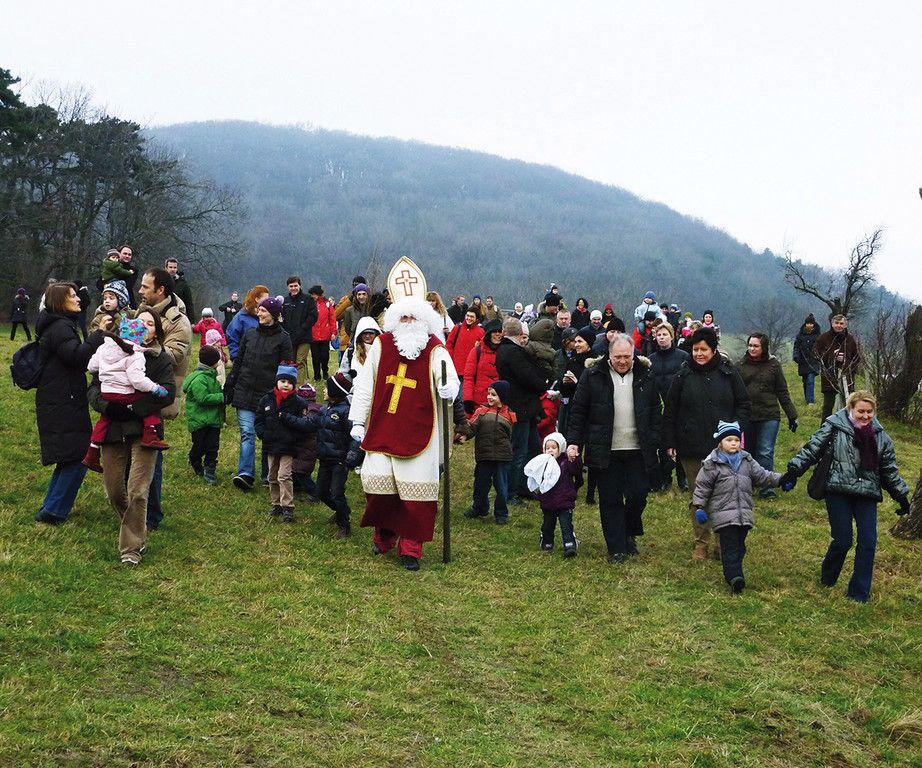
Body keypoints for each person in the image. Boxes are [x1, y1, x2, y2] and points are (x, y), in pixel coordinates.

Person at [348, 258, 459, 571]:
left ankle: (411, 549)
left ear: (424, 319)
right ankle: (384, 535)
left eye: (414, 316)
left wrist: (449, 388)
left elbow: (448, 377)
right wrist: (358, 420)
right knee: (378, 486)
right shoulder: (382, 345)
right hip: (383, 427)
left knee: (415, 496)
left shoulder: (435, 348)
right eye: (404, 316)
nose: (409, 321)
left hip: (420, 430)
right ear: (396, 318)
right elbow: (365, 383)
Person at [780, 391, 910, 603]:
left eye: (869, 412)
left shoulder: (882, 437)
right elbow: (812, 449)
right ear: (851, 409)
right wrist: (794, 471)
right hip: (838, 490)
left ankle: (858, 593)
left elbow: (889, 471)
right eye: (861, 411)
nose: (865, 416)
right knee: (843, 540)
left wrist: (901, 496)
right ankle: (828, 577)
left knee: (868, 542)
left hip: (867, 494)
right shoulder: (834, 427)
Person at [88, 309, 175, 563]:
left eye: (150, 324)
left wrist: (133, 408)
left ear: (156, 332)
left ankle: (131, 548)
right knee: (114, 490)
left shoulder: (160, 359)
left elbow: (168, 393)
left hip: (145, 429)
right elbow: (93, 388)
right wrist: (108, 407)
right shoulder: (111, 352)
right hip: (113, 426)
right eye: (141, 322)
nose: (145, 326)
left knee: (138, 490)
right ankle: (137, 527)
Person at [567, 335, 661, 563]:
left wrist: (656, 438)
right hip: (606, 449)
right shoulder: (592, 375)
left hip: (638, 448)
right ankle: (616, 547)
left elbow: (655, 410)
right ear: (609, 355)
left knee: (639, 494)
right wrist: (574, 441)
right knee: (610, 499)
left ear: (634, 355)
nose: (622, 361)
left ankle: (629, 531)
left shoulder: (646, 375)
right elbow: (579, 410)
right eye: (617, 357)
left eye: (627, 357)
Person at [662, 327, 750, 561]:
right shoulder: (683, 375)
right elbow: (670, 410)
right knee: (699, 497)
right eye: (695, 349)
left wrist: (735, 430)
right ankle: (701, 543)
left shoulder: (729, 373)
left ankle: (723, 544)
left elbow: (743, 404)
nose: (699, 354)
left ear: (713, 350)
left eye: (703, 350)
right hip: (691, 447)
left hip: (724, 449)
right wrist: (670, 441)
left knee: (723, 497)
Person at [32, 282, 106, 524]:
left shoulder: (57, 324)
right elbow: (77, 357)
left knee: (69, 455)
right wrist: (98, 335)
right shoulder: (61, 327)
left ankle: (50, 507)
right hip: (63, 399)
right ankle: (54, 510)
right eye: (72, 296)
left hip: (60, 397)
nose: (77, 299)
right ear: (59, 301)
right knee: (80, 455)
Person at [693, 420, 786, 593]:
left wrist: (781, 479)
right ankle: (734, 577)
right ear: (720, 442)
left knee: (740, 546)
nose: (733, 443)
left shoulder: (746, 460)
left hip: (743, 514)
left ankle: (734, 572)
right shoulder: (712, 463)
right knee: (729, 546)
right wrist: (699, 506)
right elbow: (702, 486)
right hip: (723, 514)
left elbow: (763, 476)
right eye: (729, 440)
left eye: (736, 440)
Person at [136, 267, 193, 530]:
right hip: (132, 394)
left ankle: (151, 514)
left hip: (156, 397)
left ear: (160, 291)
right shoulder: (140, 312)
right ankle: (131, 504)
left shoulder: (178, 322)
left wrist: (138, 346)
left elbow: (173, 356)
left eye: (145, 287)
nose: (140, 291)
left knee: (150, 458)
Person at [81, 318, 171, 472]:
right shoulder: (135, 353)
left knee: (105, 419)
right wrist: (155, 388)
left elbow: (91, 367)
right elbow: (137, 380)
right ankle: (150, 433)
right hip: (124, 394)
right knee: (147, 399)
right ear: (139, 336)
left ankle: (92, 451)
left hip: (106, 393)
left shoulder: (104, 347)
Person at [225, 295, 293, 491]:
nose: (259, 313)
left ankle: (268, 475)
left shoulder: (283, 339)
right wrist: (230, 383)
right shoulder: (249, 335)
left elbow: (287, 368)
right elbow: (239, 362)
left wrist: (283, 392)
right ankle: (246, 473)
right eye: (259, 310)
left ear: (273, 314)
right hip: (245, 391)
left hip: (268, 395)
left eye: (263, 310)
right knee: (247, 433)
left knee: (267, 435)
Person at [495, 316, 550, 505]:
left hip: (523, 406)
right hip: (521, 407)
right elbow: (528, 377)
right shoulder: (514, 352)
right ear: (520, 333)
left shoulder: (503, 350)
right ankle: (512, 491)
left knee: (532, 448)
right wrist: (543, 384)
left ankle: (525, 486)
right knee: (519, 451)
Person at [738, 332, 799, 498]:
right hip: (748, 415)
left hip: (769, 414)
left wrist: (792, 414)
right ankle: (748, 484)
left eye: (756, 346)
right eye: (750, 345)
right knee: (748, 452)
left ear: (763, 347)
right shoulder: (740, 365)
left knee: (765, 451)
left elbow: (782, 391)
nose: (752, 349)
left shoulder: (773, 365)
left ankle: (767, 488)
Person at [255, 363, 312, 523]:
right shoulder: (267, 399)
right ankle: (276, 504)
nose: (286, 385)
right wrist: (263, 433)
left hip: (289, 446)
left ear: (294, 385)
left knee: (284, 475)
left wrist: (294, 437)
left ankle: (288, 507)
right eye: (283, 381)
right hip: (271, 444)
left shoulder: (299, 403)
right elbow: (259, 419)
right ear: (277, 382)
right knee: (272, 476)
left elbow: (303, 425)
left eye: (289, 382)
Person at [462, 379, 516, 524]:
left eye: (494, 395)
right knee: (480, 485)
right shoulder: (481, 412)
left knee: (502, 487)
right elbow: (471, 427)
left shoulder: (510, 415)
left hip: (502, 457)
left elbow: (511, 435)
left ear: (502, 397)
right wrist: (464, 435)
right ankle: (479, 508)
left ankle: (501, 513)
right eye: (489, 394)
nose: (489, 397)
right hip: (484, 455)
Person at [308, 372, 355, 538]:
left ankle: (344, 525)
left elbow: (354, 436)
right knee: (320, 492)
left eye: (327, 388)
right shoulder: (324, 409)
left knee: (337, 493)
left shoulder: (346, 412)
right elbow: (309, 424)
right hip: (325, 458)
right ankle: (342, 510)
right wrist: (287, 418)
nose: (324, 390)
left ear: (335, 392)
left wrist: (351, 457)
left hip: (340, 461)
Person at [525, 432, 582, 557]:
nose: (550, 450)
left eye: (554, 447)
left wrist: (574, 459)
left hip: (564, 501)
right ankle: (547, 542)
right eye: (547, 448)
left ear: (560, 449)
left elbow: (576, 469)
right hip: (548, 501)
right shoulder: (543, 463)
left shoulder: (566, 462)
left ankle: (569, 544)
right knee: (548, 525)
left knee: (566, 525)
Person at [648, 322, 690, 491]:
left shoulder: (683, 357)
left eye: (665, 334)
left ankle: (683, 478)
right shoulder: (651, 360)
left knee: (681, 443)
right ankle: (665, 479)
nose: (662, 338)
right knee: (662, 444)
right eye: (659, 335)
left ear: (672, 336)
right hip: (659, 407)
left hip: (679, 407)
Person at [182, 344, 225, 485]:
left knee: (213, 447)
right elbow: (203, 398)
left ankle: (210, 470)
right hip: (199, 420)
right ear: (212, 362)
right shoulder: (200, 379)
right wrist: (222, 397)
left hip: (213, 420)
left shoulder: (212, 376)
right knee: (199, 445)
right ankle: (194, 459)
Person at [813, 314, 861, 419]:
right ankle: (825, 428)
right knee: (828, 407)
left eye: (841, 323)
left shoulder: (850, 339)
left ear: (845, 325)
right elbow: (816, 355)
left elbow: (856, 358)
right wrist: (832, 356)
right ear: (832, 324)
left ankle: (847, 427)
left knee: (848, 406)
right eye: (836, 323)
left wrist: (849, 369)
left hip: (847, 379)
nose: (839, 325)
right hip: (829, 378)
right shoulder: (823, 338)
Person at [462, 319, 502, 415]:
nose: (498, 334)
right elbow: (469, 377)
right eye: (494, 331)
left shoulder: (505, 352)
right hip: (478, 403)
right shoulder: (477, 351)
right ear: (488, 334)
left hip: (499, 402)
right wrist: (468, 399)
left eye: (500, 331)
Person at [281, 276, 317, 382]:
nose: (293, 288)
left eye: (295, 286)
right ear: (288, 287)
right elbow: (281, 318)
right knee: (290, 362)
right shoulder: (285, 301)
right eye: (291, 286)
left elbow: (313, 316)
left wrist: (303, 327)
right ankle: (291, 384)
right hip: (289, 337)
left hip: (304, 336)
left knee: (300, 361)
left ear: (299, 286)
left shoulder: (308, 299)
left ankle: (299, 386)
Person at [226, 284, 269, 360]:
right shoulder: (240, 317)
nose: (268, 301)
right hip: (246, 360)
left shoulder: (266, 316)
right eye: (265, 299)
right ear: (257, 299)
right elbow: (232, 339)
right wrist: (236, 359)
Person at [339, 316, 381, 382]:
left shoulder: (382, 350)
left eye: (371, 333)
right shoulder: (351, 351)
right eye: (365, 333)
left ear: (376, 334)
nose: (367, 336)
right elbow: (343, 372)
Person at [307, 285, 336, 382]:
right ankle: (317, 376)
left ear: (319, 294)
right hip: (313, 335)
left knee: (324, 356)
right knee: (315, 357)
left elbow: (332, 319)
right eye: (312, 294)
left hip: (325, 335)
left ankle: (325, 372)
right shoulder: (309, 304)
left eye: (314, 294)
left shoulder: (327, 304)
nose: (313, 296)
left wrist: (333, 332)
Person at [445, 309, 484, 380]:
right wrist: (450, 360)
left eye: (472, 317)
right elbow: (449, 345)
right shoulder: (457, 328)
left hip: (470, 370)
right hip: (455, 369)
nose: (469, 318)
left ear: (477, 319)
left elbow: (482, 350)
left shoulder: (481, 332)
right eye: (467, 315)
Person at [792, 313, 822, 405]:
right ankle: (807, 398)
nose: (809, 325)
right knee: (805, 381)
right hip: (803, 361)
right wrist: (796, 356)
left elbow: (821, 348)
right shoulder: (800, 336)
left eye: (811, 323)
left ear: (814, 324)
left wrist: (819, 356)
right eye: (808, 323)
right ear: (805, 324)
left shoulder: (818, 336)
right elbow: (796, 347)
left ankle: (810, 401)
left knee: (810, 380)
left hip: (813, 362)